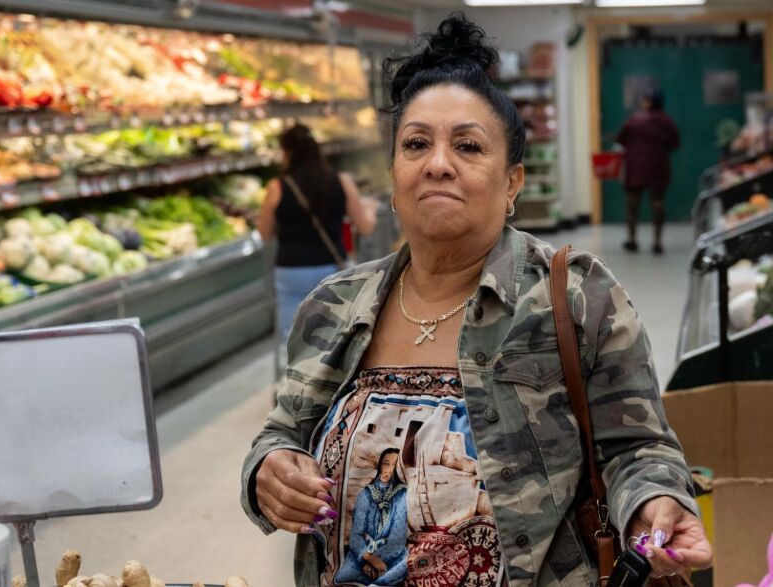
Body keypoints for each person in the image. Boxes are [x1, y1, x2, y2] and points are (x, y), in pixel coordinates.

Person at [242, 14, 711, 586]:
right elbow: (281, 434)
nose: (438, 162)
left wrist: (654, 501)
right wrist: (266, 472)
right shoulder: (333, 306)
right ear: (394, 175)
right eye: (416, 143)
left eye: (468, 145)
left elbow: (639, 448)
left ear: (513, 181)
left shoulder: (575, 297)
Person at [257, 123, 376, 344]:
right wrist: (369, 209)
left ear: (288, 152)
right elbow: (366, 226)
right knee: (336, 335)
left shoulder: (277, 187)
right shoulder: (341, 180)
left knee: (295, 339)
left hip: (291, 271)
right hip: (331, 268)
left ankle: (300, 376)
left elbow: (264, 233)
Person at [616, 89, 680, 255]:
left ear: (650, 103)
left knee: (632, 204)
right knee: (658, 203)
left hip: (635, 167)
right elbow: (675, 142)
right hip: (658, 167)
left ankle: (632, 240)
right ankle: (657, 241)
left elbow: (621, 138)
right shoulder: (666, 121)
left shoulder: (634, 119)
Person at [334, 448, 408, 585]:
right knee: (346, 574)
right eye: (386, 463)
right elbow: (356, 534)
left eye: (395, 465)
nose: (390, 469)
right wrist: (368, 559)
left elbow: (398, 536)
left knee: (400, 572)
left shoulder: (402, 494)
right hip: (362, 555)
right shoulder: (366, 493)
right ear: (380, 465)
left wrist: (380, 559)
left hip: (392, 555)